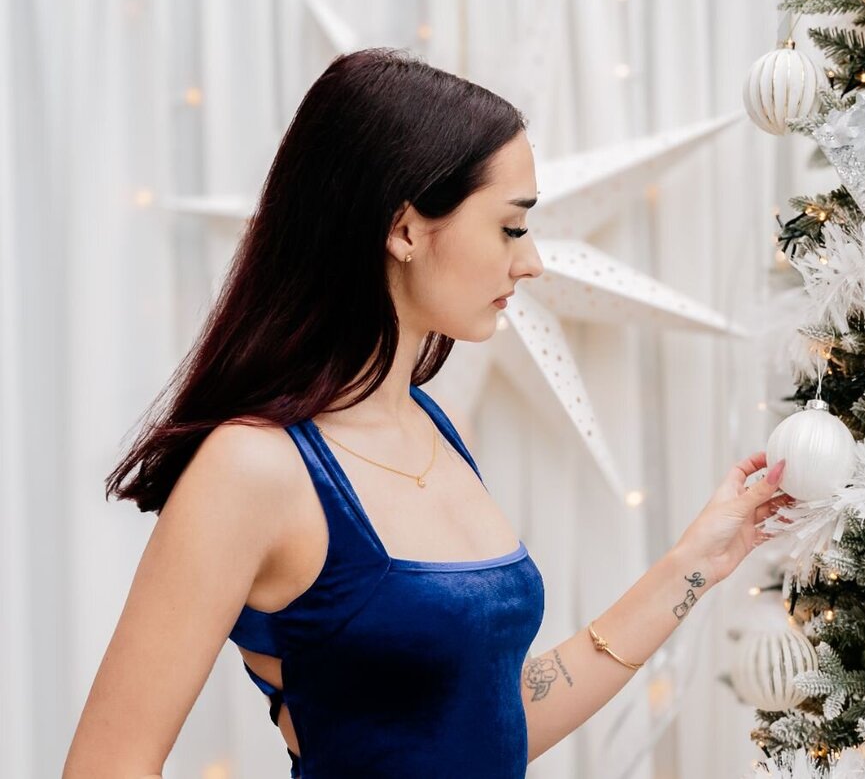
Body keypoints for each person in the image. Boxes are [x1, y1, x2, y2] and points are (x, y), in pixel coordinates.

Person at [62, 47, 792, 778]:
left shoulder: (429, 429)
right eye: (511, 227)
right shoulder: (251, 466)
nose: (532, 261)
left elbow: (488, 724)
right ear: (405, 229)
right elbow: (107, 764)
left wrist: (698, 562)